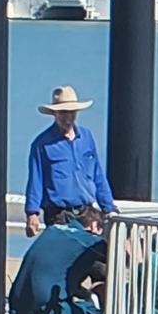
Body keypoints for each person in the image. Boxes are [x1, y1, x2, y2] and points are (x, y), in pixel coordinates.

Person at [8, 207, 107, 314]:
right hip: (45, 311)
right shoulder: (86, 239)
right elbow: (121, 256)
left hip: (18, 311)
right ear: (95, 226)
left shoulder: (53, 231)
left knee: (76, 302)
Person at [24, 86, 116, 237]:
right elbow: (36, 180)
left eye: (71, 112)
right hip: (59, 215)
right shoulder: (42, 144)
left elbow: (98, 175)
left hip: (86, 213)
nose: (68, 117)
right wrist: (32, 213)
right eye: (63, 112)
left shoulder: (86, 137)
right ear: (55, 114)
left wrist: (108, 207)